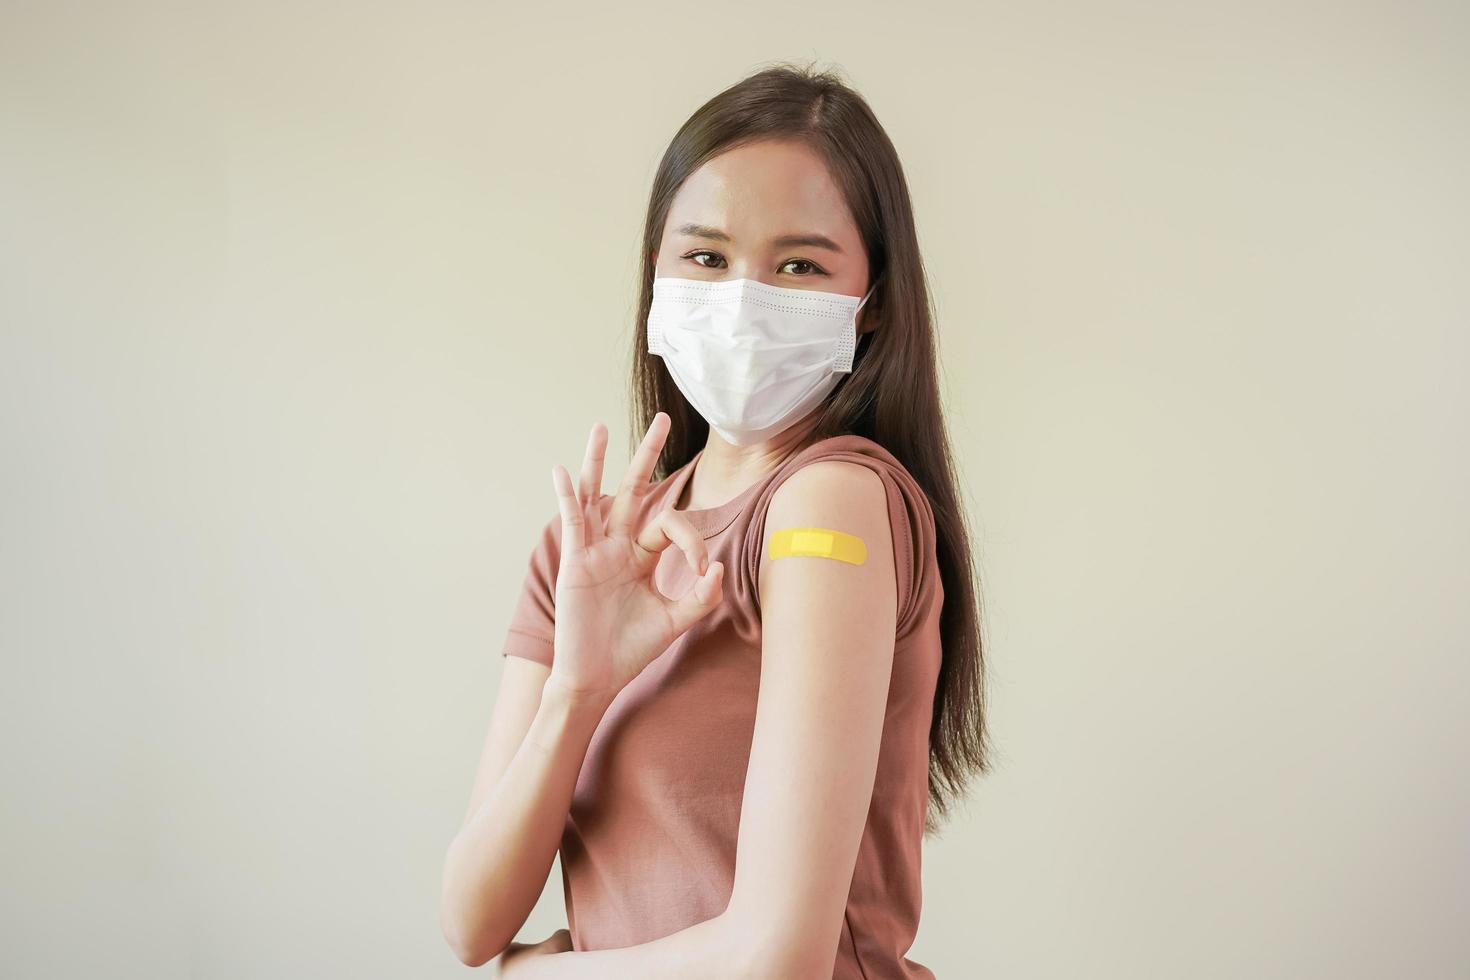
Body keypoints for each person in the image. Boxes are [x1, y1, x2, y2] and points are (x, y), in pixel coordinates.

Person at [441, 61, 991, 979]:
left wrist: (537, 975)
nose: (742, 299)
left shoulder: (830, 502)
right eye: (706, 256)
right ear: (656, 274)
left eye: (799, 264)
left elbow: (776, 959)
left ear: (873, 304)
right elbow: (470, 920)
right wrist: (580, 688)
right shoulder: (587, 549)